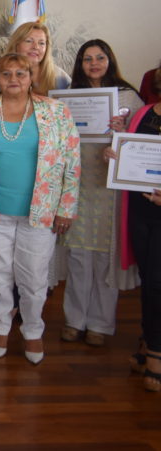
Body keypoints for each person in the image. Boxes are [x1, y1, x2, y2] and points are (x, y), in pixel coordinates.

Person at [0, 52, 80, 365]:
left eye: (20, 74)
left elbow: (72, 162)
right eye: (6, 74)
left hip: (41, 209)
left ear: (32, 77)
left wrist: (66, 207)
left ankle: (32, 330)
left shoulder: (56, 112)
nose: (13, 79)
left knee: (34, 276)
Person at [58, 40, 142, 346]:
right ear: (80, 64)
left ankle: (101, 324)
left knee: (106, 257)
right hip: (79, 184)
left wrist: (123, 130)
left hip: (111, 189)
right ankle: (74, 319)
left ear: (110, 60)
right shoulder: (69, 98)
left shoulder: (129, 97)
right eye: (87, 59)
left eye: (100, 57)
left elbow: (140, 143)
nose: (94, 63)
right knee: (78, 255)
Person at [110, 70, 161, 391]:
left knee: (158, 282)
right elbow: (127, 155)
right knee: (149, 280)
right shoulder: (144, 111)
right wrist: (113, 153)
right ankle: (147, 338)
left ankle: (156, 350)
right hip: (140, 212)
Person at [5, 21, 70, 95]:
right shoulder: (1, 74)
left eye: (41, 43)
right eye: (29, 41)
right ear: (16, 45)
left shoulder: (59, 76)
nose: (36, 47)